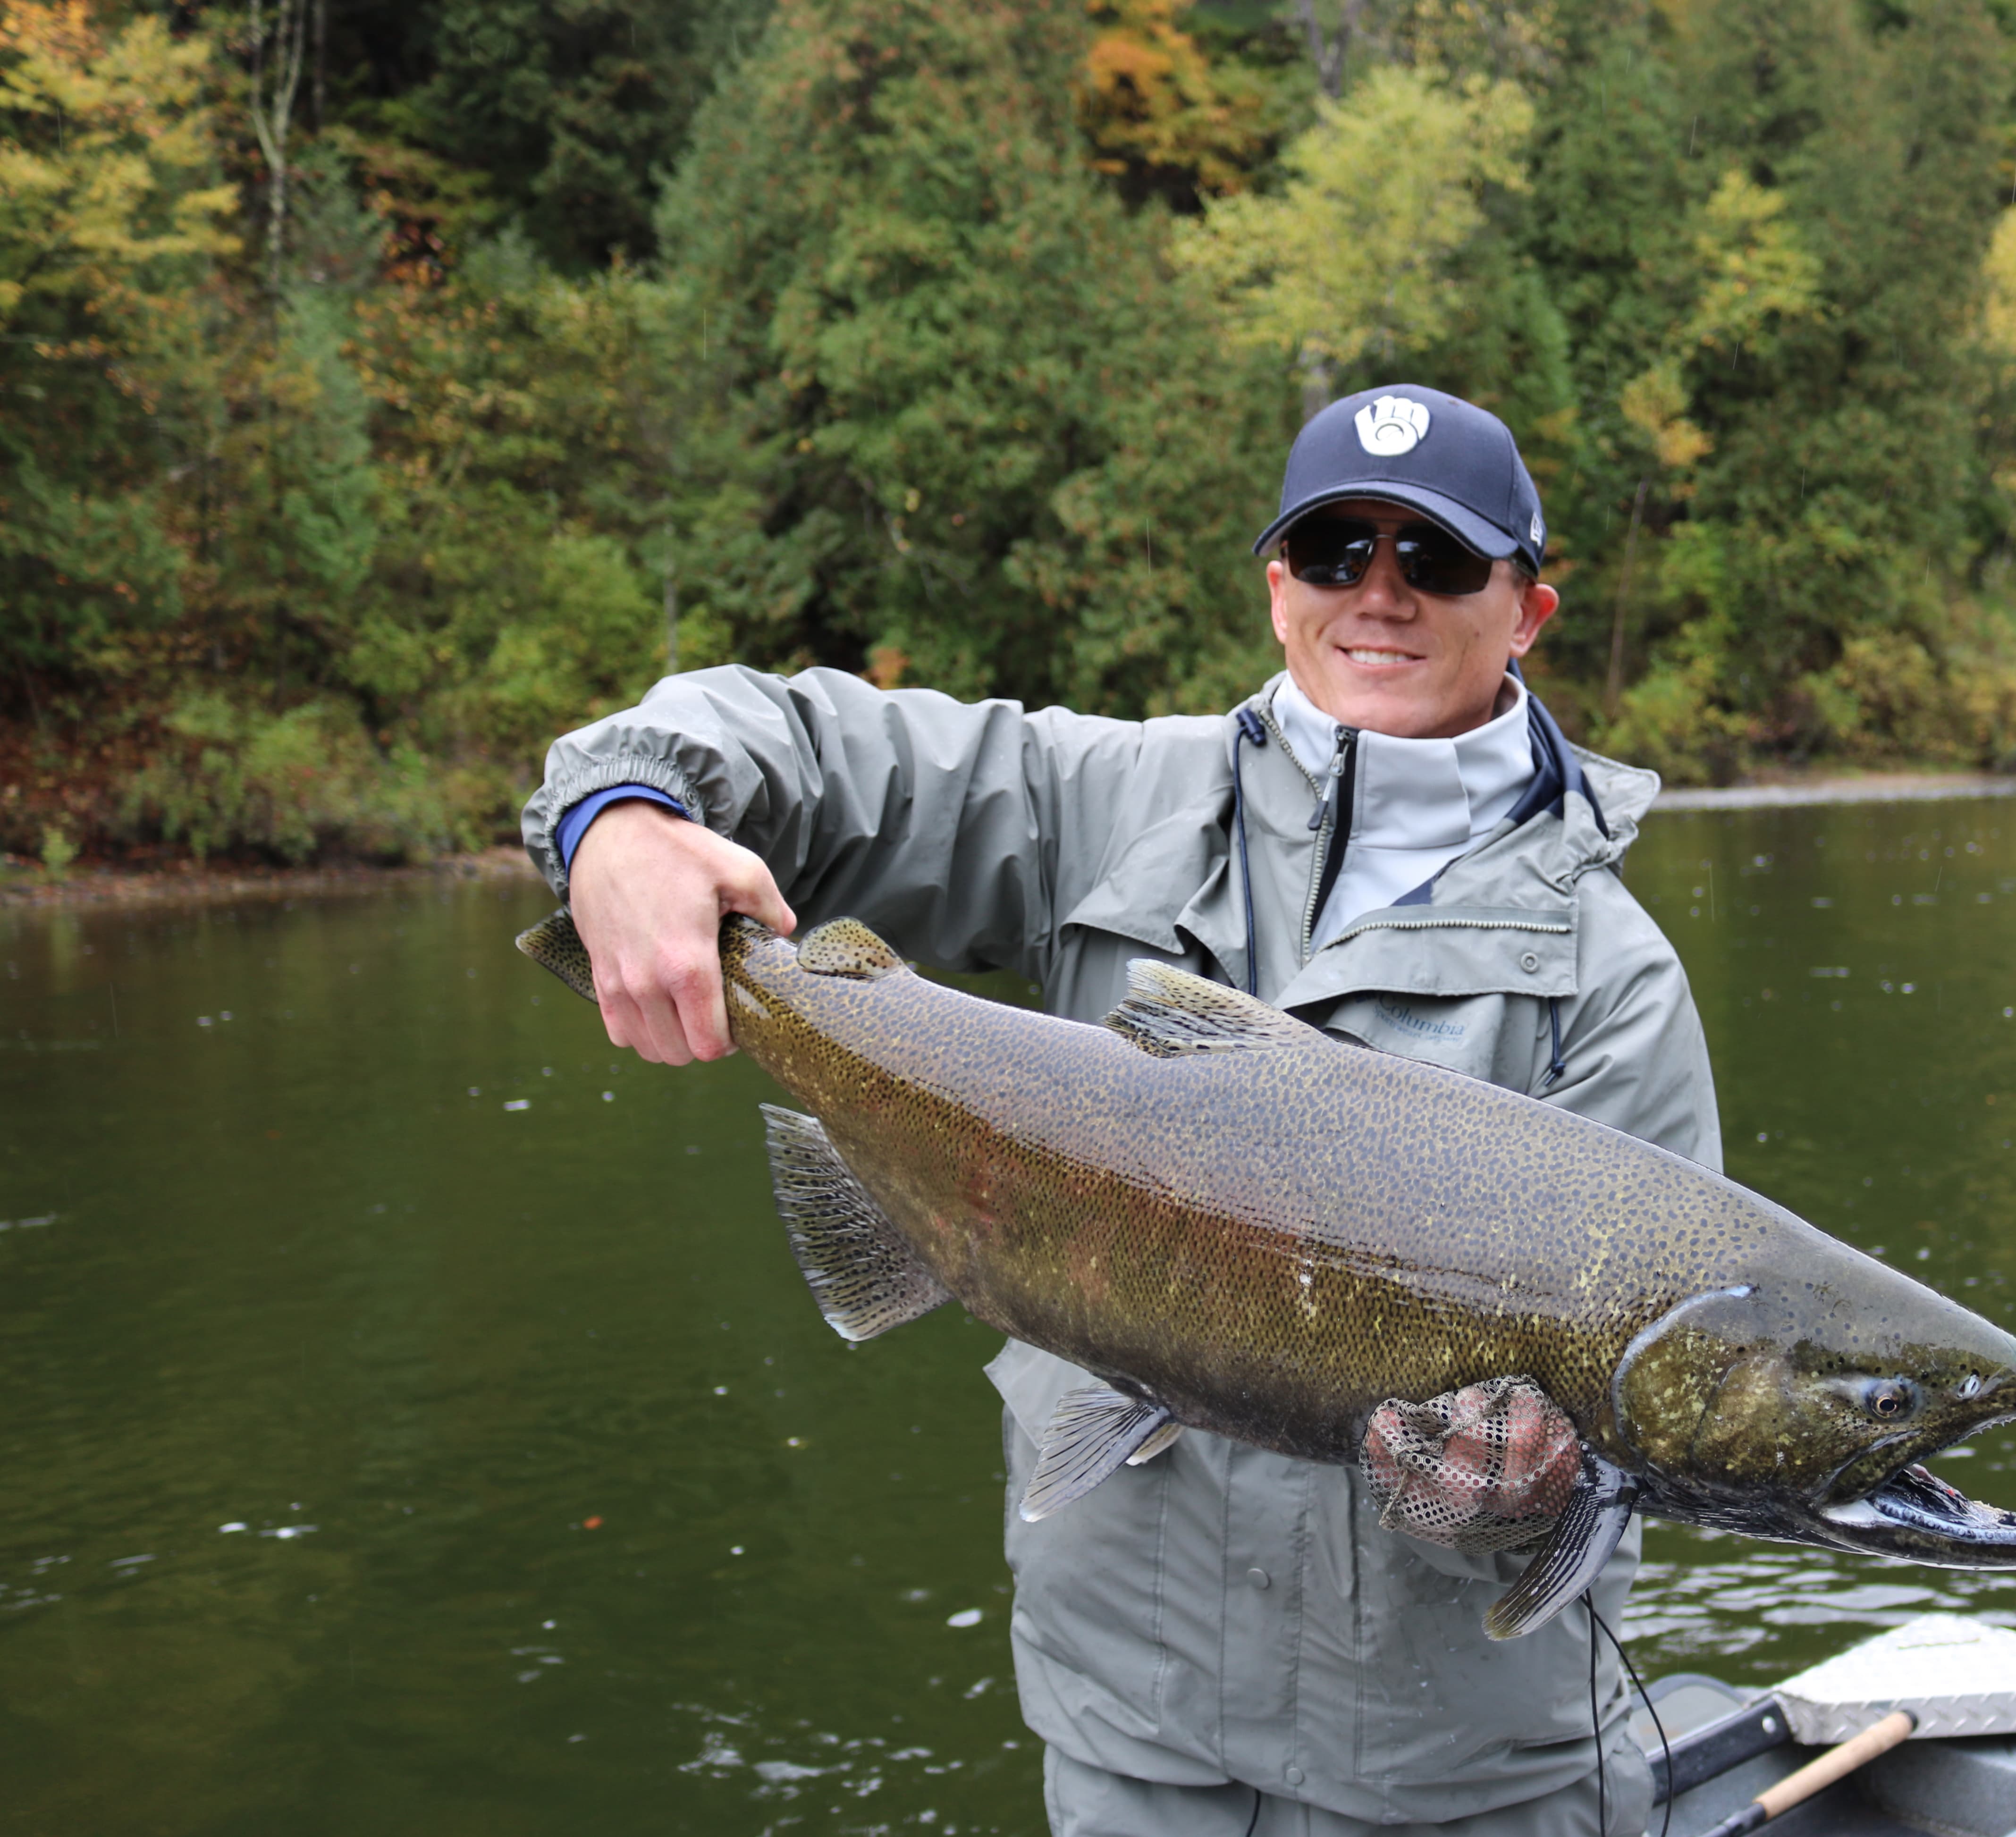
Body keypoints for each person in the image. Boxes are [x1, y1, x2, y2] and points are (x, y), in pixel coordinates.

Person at [520, 384, 1722, 1836]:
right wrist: (622, 818)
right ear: (1281, 591)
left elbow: (1647, 1430)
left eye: (1442, 559)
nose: (1382, 594)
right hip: (1128, 1731)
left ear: (1527, 607)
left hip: (1452, 1780)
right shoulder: (1105, 797)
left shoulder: (1613, 983)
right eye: (1339, 551)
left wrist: (1526, 1490)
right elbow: (795, 737)